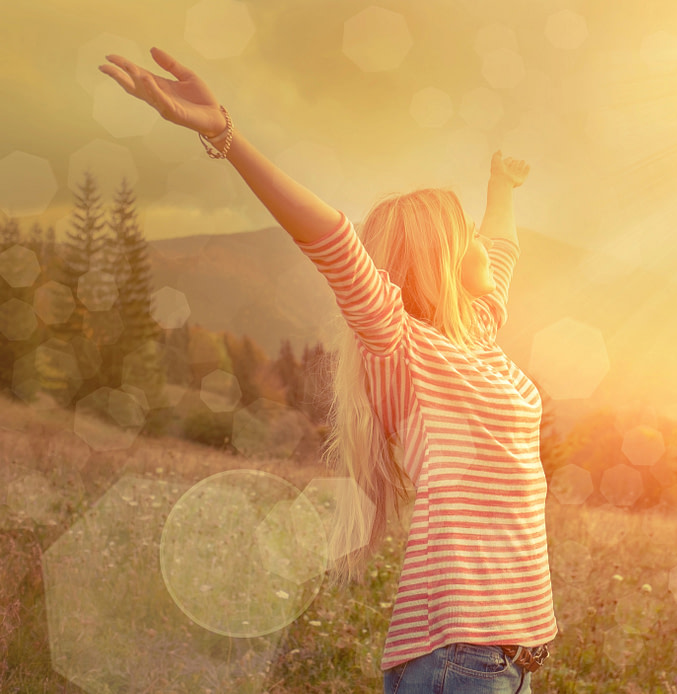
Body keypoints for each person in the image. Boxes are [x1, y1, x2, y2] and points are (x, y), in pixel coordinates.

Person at [99, 47, 557, 693]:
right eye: (469, 233)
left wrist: (500, 187)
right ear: (443, 255)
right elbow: (334, 239)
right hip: (460, 659)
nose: (484, 241)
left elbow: (502, 247)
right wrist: (224, 134)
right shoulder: (403, 348)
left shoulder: (478, 331)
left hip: (509, 660)